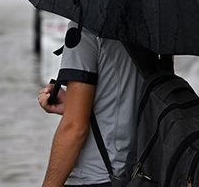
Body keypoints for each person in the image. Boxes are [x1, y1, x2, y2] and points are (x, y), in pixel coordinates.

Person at [37, 24, 142, 187]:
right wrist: (72, 104)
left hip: (95, 176)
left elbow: (74, 128)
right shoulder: (149, 29)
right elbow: (130, 100)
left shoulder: (83, 30)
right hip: (139, 173)